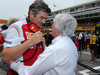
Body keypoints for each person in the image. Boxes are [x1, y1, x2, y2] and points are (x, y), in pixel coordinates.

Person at [9, 13, 78, 75]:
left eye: (53, 24)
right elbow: (57, 57)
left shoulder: (54, 49)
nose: (51, 26)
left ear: (58, 27)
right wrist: (44, 46)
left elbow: (30, 72)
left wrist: (12, 64)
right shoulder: (71, 44)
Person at [1, 1, 51, 75]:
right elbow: (5, 57)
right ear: (31, 14)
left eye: (45, 19)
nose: (44, 21)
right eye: (42, 18)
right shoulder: (17, 27)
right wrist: (30, 42)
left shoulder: (37, 28)